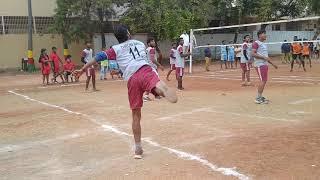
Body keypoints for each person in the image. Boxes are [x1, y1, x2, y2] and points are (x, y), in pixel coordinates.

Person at [75, 25, 177, 159]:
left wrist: (83, 69)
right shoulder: (139, 43)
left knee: (136, 115)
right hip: (145, 71)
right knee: (154, 84)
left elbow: (99, 57)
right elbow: (135, 56)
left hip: (132, 79)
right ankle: (158, 89)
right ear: (128, 34)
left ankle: (138, 149)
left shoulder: (115, 49)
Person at [251, 30, 278, 104]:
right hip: (260, 64)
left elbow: (266, 57)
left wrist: (273, 64)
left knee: (264, 80)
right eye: (264, 34)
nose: (265, 35)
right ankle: (258, 98)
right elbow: (253, 54)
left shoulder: (264, 44)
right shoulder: (256, 43)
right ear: (259, 35)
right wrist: (263, 58)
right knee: (263, 80)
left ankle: (260, 96)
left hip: (264, 64)